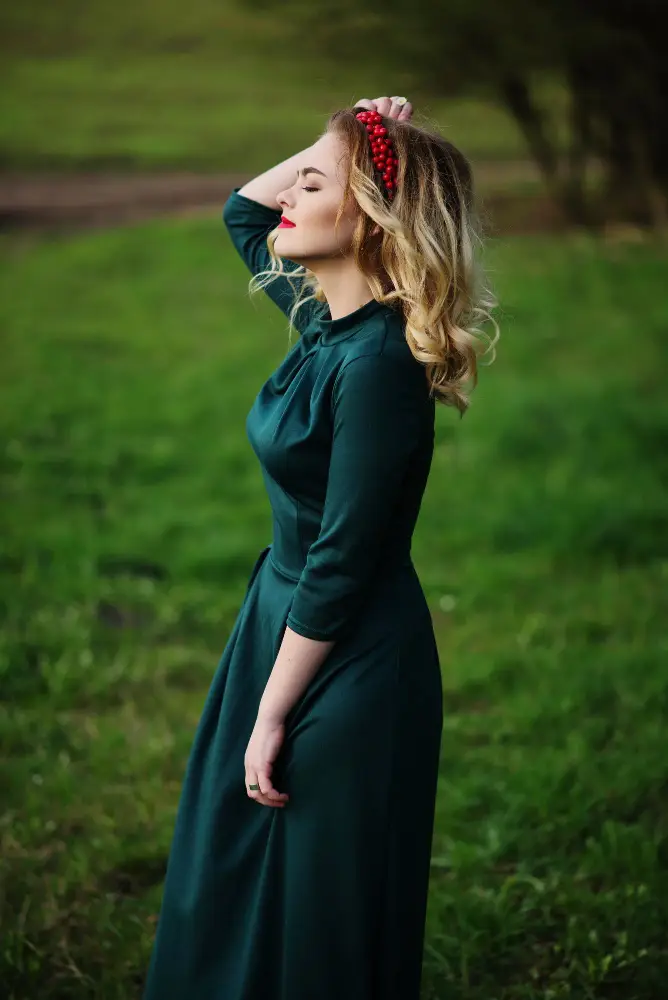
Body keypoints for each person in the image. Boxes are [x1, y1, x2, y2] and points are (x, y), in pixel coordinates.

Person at [143, 94, 497, 1000]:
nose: (288, 195)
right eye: (298, 178)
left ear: (372, 218)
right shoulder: (326, 332)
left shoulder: (378, 367)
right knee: (241, 880)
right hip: (284, 623)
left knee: (319, 917)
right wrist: (341, 135)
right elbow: (244, 213)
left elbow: (343, 561)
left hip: (344, 657)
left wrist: (271, 713)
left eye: (316, 182)